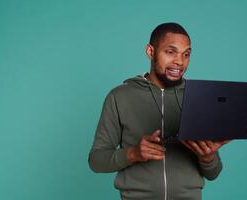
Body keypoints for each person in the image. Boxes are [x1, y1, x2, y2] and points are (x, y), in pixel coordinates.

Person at [88, 22, 230, 200]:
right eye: (170, 52)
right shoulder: (119, 96)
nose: (180, 61)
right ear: (150, 51)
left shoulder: (198, 98)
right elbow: (96, 161)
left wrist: (208, 157)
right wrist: (134, 154)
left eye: (186, 54)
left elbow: (213, 173)